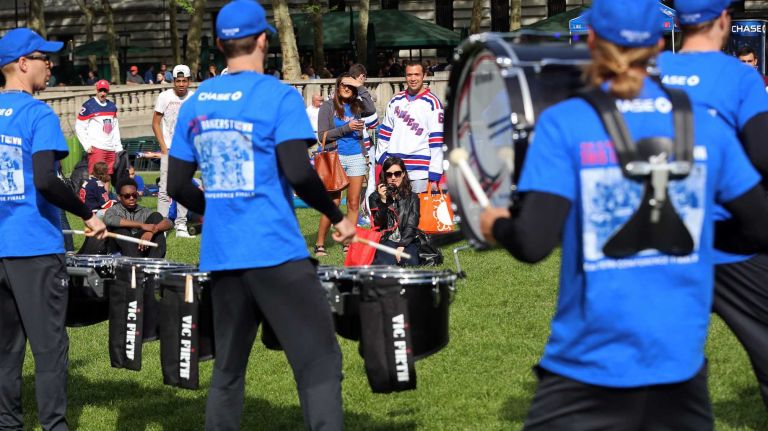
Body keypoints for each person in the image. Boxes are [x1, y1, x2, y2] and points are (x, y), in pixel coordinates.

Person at [479, 0, 768, 428]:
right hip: (680, 377)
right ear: (656, 44)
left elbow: (533, 242)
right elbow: (761, 226)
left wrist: (494, 224)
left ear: (592, 40)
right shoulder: (704, 127)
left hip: (585, 372)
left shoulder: (565, 123)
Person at [167, 1, 356, 428]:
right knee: (318, 362)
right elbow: (297, 171)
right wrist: (337, 213)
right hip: (276, 252)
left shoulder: (196, 103)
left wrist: (214, 210)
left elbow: (176, 186)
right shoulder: (277, 95)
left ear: (218, 44)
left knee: (228, 372)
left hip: (222, 257)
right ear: (264, 40)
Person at [658, 0, 768, 408]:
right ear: (724, 19)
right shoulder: (740, 76)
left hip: (662, 238)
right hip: (729, 240)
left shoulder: (652, 73)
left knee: (665, 360)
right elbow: (760, 155)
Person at [0, 27, 107, 430]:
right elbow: (47, 179)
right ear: (23, 64)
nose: (51, 64)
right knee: (49, 349)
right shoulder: (37, 114)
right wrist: (87, 213)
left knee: (5, 351)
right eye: (45, 58)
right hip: (33, 249)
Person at [314, 72, 376, 257]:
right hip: (336, 157)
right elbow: (321, 135)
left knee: (353, 202)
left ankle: (349, 243)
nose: (347, 89)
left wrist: (360, 85)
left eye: (350, 86)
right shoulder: (328, 106)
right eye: (344, 85)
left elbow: (371, 110)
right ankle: (319, 243)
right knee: (333, 202)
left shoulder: (358, 105)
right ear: (337, 87)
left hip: (356, 156)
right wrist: (346, 129)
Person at [376, 61, 444, 194]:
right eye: (409, 75)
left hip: (420, 171)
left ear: (424, 76)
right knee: (394, 213)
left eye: (417, 74)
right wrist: (382, 158)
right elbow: (384, 133)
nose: (413, 79)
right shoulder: (395, 101)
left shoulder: (433, 104)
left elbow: (437, 140)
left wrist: (435, 172)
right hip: (395, 170)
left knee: (419, 213)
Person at [152, 64, 195, 237]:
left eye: (184, 81)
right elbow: (155, 123)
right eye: (178, 81)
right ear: (173, 82)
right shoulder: (164, 97)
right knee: (164, 188)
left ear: (189, 81)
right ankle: (162, 225)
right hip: (168, 148)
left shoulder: (194, 98)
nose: (181, 84)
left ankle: (181, 225)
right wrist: (163, 146)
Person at [368, 157, 420, 265]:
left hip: (406, 239)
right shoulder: (374, 197)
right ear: (384, 176)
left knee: (411, 262)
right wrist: (383, 201)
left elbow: (412, 224)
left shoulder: (412, 197)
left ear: (403, 174)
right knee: (387, 262)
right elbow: (379, 223)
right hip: (386, 239)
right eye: (389, 174)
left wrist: (402, 245)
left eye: (397, 173)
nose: (393, 178)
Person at [104, 178, 170, 258]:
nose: (131, 198)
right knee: (119, 229)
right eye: (127, 196)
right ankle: (134, 263)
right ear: (119, 197)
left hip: (141, 247)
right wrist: (142, 225)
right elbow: (109, 219)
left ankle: (154, 263)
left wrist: (152, 231)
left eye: (134, 195)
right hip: (120, 250)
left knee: (156, 216)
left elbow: (169, 223)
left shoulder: (144, 211)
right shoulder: (113, 210)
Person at [75, 79, 123, 174]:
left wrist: (118, 148)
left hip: (111, 148)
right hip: (97, 148)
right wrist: (87, 145)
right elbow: (79, 126)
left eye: (105, 91)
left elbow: (115, 129)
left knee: (107, 177)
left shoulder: (112, 106)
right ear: (96, 90)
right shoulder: (88, 105)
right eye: (100, 90)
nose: (102, 93)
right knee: (95, 177)